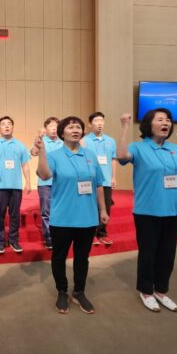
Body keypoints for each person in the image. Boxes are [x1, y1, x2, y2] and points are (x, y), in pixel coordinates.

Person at [117, 109, 177, 313]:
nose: (166, 122)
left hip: (173, 210)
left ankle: (161, 291)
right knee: (148, 254)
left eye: (168, 120)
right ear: (149, 124)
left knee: (167, 254)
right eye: (160, 119)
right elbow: (121, 156)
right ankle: (146, 291)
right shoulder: (138, 148)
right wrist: (124, 126)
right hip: (148, 210)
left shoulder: (176, 149)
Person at [35, 116, 109, 315]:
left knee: (82, 258)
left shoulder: (90, 155)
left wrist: (102, 210)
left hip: (87, 217)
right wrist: (41, 151)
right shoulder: (55, 155)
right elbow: (44, 175)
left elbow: (99, 184)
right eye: (70, 127)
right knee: (59, 257)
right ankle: (62, 291)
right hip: (62, 218)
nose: (75, 130)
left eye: (78, 127)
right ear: (62, 133)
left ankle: (79, 291)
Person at [0, 116, 31, 254]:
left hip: (16, 186)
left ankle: (13, 240)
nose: (6, 126)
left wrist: (28, 182)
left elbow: (25, 164)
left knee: (15, 215)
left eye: (9, 124)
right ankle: (0, 241)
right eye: (3, 124)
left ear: (12, 127)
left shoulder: (20, 145)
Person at [81, 112, 117, 246]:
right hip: (89, 181)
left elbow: (113, 159)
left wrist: (113, 177)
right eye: (96, 121)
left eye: (102, 120)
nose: (100, 123)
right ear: (90, 124)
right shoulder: (84, 140)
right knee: (91, 207)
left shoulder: (111, 141)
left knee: (106, 208)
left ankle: (102, 233)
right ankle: (90, 235)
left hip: (106, 180)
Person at [31, 117, 63, 250]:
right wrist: (38, 138)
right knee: (46, 212)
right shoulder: (42, 140)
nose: (54, 129)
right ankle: (48, 237)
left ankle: (60, 236)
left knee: (61, 210)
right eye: (51, 126)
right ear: (45, 128)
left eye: (56, 126)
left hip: (61, 182)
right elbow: (33, 152)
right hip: (45, 182)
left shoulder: (63, 142)